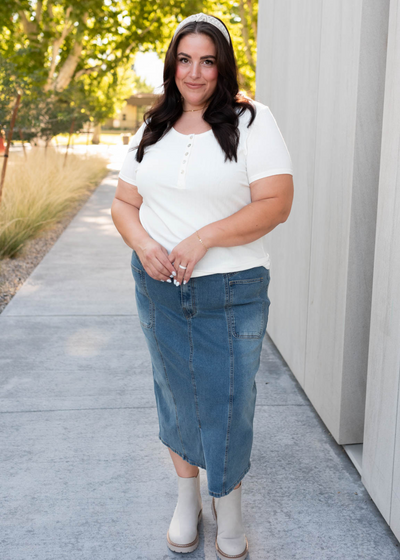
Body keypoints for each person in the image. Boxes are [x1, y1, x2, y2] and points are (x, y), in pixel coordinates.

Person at [111, 12, 294, 560]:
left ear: (222, 67)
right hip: (159, 290)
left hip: (232, 291)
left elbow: (276, 204)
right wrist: (145, 246)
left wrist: (202, 239)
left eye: (207, 60)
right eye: (184, 59)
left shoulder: (252, 119)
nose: (195, 72)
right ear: (173, 65)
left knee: (229, 402)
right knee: (174, 397)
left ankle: (229, 507)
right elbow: (124, 203)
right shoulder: (154, 127)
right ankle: (187, 498)